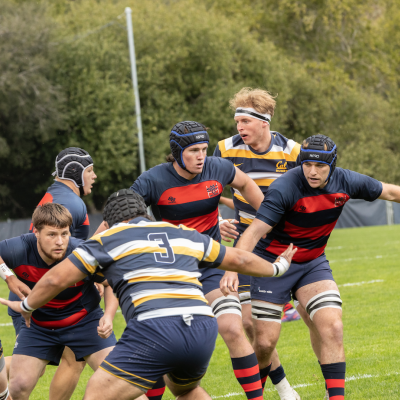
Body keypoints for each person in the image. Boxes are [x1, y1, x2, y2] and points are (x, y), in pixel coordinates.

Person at [2, 189, 298, 400]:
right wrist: (277, 268)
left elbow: (54, 278)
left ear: (112, 221)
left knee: (96, 394)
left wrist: (27, 305)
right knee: (185, 390)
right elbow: (240, 259)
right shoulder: (181, 232)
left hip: (155, 328)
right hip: (202, 327)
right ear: (144, 213)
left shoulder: (109, 237)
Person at [95, 121, 266, 400]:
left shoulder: (217, 168)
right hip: (169, 273)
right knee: (156, 344)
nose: (201, 156)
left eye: (204, 149)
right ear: (176, 153)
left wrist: (266, 218)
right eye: (193, 151)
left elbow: (246, 183)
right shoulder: (153, 180)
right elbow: (117, 217)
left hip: (210, 267)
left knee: (233, 328)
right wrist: (90, 253)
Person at [233, 134, 400, 400]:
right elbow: (252, 234)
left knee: (332, 326)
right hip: (272, 263)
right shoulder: (285, 187)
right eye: (307, 165)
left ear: (332, 166)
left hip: (311, 263)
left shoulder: (346, 180)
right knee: (264, 342)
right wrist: (232, 269)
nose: (312, 171)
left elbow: (390, 192)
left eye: (320, 166)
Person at [214, 88, 300, 398]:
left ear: (264, 122)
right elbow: (206, 189)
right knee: (251, 325)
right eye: (237, 120)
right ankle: (282, 385)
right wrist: (217, 221)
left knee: (314, 317)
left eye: (246, 120)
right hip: (245, 244)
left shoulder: (292, 152)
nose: (239, 127)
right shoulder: (225, 149)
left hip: (286, 244)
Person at [6, 147, 99, 400]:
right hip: (42, 301)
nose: (94, 177)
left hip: (49, 297)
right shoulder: (70, 203)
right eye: (90, 171)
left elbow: (75, 257)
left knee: (71, 359)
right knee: (25, 377)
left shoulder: (59, 195)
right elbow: (61, 261)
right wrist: (10, 275)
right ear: (76, 173)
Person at [0, 203, 117, 400]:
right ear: (36, 232)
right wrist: (9, 277)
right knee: (19, 387)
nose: (60, 242)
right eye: (52, 235)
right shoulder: (18, 248)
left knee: (119, 381)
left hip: (85, 322)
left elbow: (111, 282)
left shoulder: (81, 252)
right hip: (37, 325)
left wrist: (109, 315)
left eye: (64, 233)